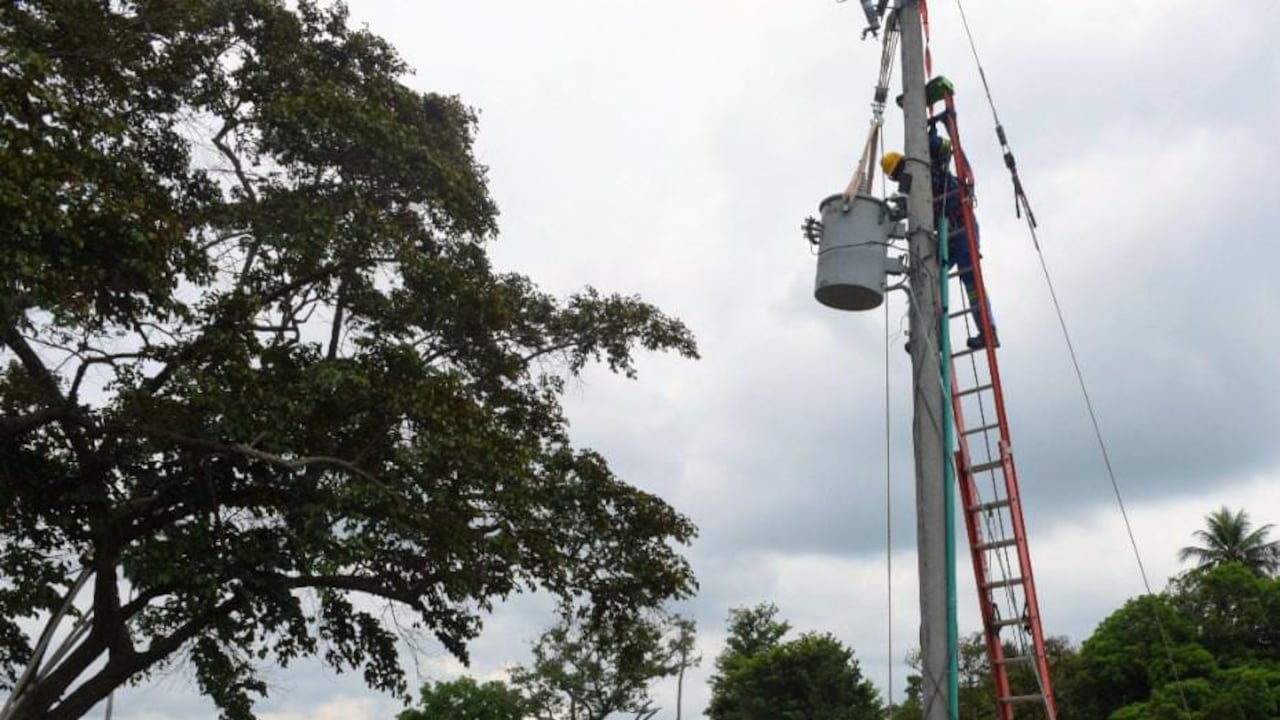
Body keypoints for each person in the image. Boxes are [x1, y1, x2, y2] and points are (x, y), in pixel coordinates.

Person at [881, 142, 997, 350]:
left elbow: (944, 146)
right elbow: (909, 208)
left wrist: (930, 138)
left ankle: (988, 331)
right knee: (927, 279)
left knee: (969, 280)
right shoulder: (911, 186)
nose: (901, 176)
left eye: (899, 171)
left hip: (961, 227)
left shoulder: (929, 165)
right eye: (897, 174)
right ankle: (931, 337)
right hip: (948, 235)